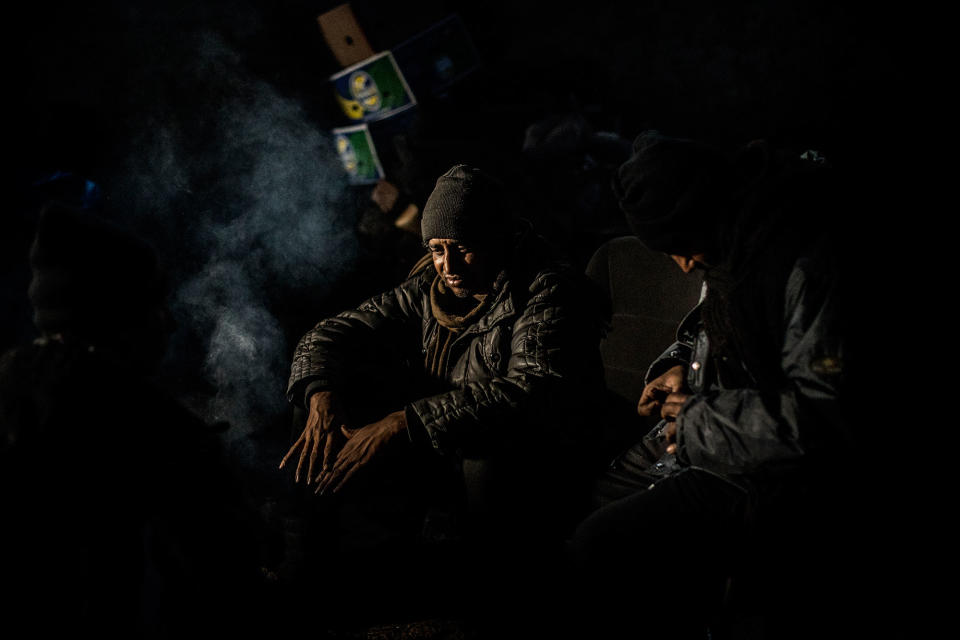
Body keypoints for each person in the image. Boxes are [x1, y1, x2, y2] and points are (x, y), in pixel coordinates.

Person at [278, 163, 607, 629]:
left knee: (488, 448)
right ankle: (306, 558)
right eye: (436, 250)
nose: (448, 266)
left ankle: (493, 588)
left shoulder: (548, 289)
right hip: (445, 444)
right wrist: (319, 393)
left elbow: (533, 389)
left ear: (497, 236)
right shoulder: (430, 288)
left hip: (536, 463)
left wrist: (402, 422)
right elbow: (333, 332)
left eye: (464, 248)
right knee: (318, 404)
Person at [566, 131, 856, 638]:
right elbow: (715, 328)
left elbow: (821, 413)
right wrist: (683, 366)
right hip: (714, 436)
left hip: (774, 475)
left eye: (681, 247)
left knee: (601, 543)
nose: (680, 264)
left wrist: (699, 419)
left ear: (705, 214)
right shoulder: (730, 244)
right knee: (590, 502)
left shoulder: (799, 264)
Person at [0, 202, 263, 638]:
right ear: (120, 315)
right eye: (157, 305)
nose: (172, 323)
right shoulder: (152, 428)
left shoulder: (10, 380)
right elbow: (225, 587)